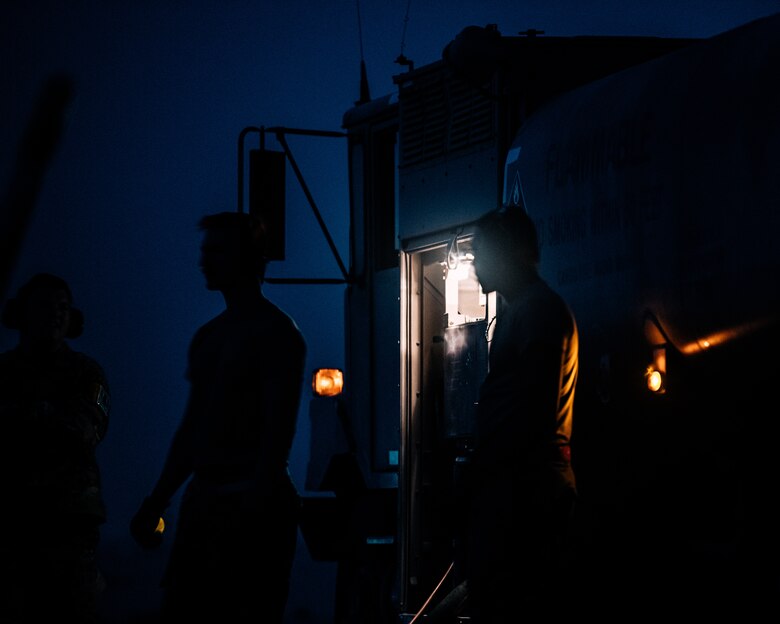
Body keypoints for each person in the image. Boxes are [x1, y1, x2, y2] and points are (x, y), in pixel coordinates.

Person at [130, 211, 307, 622]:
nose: (203, 261)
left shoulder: (274, 333)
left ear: (247, 258)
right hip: (215, 501)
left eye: (216, 251)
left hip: (244, 503)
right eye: (205, 251)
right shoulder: (214, 336)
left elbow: (277, 433)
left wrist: (252, 507)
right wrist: (157, 500)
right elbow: (192, 430)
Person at [463, 206, 579, 622]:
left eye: (481, 253)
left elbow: (535, 404)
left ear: (507, 253)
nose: (475, 265)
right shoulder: (525, 311)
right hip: (517, 486)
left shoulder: (537, 312)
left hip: (525, 492)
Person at [0, 272, 110, 624]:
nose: (56, 314)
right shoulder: (3, 372)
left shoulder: (85, 373)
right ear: (23, 314)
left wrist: (24, 415)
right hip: (13, 527)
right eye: (46, 306)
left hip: (69, 530)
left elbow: (85, 427)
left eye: (63, 307)